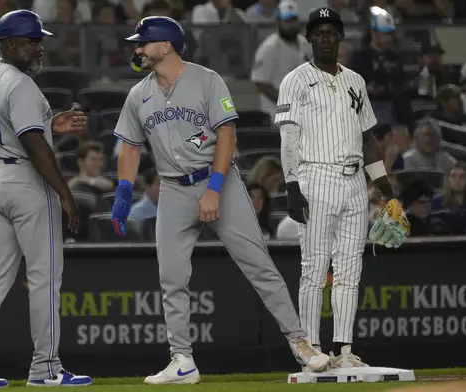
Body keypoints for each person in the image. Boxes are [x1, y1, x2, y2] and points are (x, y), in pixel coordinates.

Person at [111, 16, 329, 385]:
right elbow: (130, 147)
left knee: (259, 264)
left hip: (219, 181)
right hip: (173, 189)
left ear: (165, 47)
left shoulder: (206, 80)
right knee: (172, 278)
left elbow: (225, 135)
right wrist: (121, 192)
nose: (137, 49)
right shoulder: (139, 94)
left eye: (142, 43)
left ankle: (301, 343)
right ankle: (182, 360)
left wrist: (213, 188)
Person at [0, 10, 91, 389]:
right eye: (31, 40)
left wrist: (50, 123)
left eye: (38, 39)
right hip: (24, 180)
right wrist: (66, 195)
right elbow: (35, 148)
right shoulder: (22, 84)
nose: (38, 46)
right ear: (10, 43)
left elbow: (20, 128)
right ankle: (46, 369)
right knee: (45, 278)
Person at [275, 7, 409, 369]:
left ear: (340, 37)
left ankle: (345, 351)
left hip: (353, 182)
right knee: (314, 268)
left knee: (350, 269)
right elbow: (289, 138)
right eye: (318, 32)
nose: (325, 37)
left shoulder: (355, 81)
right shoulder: (296, 80)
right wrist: (291, 186)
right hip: (315, 176)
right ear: (309, 38)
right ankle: (312, 351)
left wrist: (384, 187)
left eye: (331, 31)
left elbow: (367, 139)